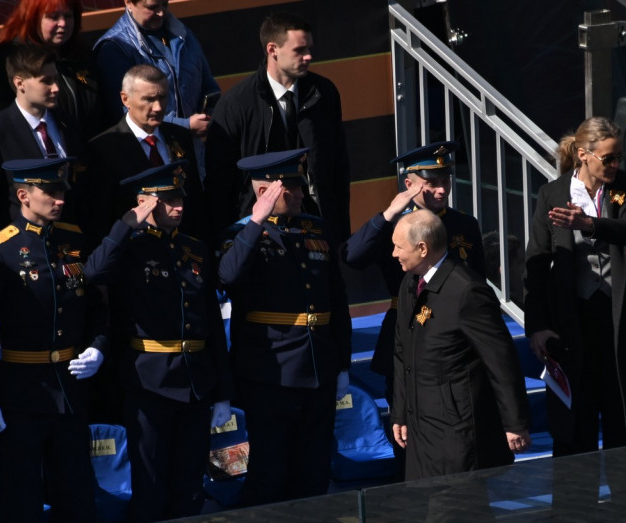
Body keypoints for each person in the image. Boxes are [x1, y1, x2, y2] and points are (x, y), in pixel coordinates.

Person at [0, 157, 107, 522]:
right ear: (24, 195)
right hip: (21, 393)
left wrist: (98, 347)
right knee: (21, 497)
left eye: (62, 191)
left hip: (70, 389)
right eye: (50, 192)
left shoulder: (73, 238)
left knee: (76, 493)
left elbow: (97, 307)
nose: (60, 199)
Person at [84, 160, 233, 522]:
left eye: (180, 197)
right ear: (146, 202)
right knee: (150, 487)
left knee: (190, 485)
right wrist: (125, 225)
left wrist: (224, 391)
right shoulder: (129, 246)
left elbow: (211, 321)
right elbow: (93, 272)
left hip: (195, 380)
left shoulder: (194, 248)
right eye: (167, 200)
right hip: (149, 382)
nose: (179, 206)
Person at [218, 149, 351, 506]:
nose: (301, 194)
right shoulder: (240, 234)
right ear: (265, 193)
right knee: (270, 474)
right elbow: (228, 276)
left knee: (314, 472)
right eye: (290, 188)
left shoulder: (316, 228)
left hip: (317, 365)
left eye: (299, 185)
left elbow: (336, 301)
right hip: (270, 372)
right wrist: (255, 222)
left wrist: (342, 363)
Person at [524, 116, 626, 456]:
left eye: (619, 157)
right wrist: (536, 325)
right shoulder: (553, 193)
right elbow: (536, 262)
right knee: (575, 423)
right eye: (609, 158)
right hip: (572, 319)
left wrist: (590, 224)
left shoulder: (625, 185)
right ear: (583, 154)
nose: (616, 164)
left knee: (625, 417)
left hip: (619, 315)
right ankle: (574, 506)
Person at [342, 141, 485, 408]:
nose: (442, 190)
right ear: (410, 185)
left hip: (458, 331)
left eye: (445, 180)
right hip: (407, 328)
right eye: (431, 183)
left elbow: (478, 279)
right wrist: (385, 217)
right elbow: (353, 257)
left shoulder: (464, 224)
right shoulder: (393, 224)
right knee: (406, 420)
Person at [390, 209, 530, 480]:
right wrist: (400, 412)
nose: (394, 253)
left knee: (454, 507)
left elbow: (501, 360)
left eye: (398, 247)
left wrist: (515, 422)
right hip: (421, 427)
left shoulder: (466, 291)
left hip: (457, 430)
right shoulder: (410, 283)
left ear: (422, 248)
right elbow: (401, 352)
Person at [206, 12, 350, 245]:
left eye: (309, 49)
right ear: (273, 50)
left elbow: (338, 169)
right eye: (299, 50)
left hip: (318, 229)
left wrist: (340, 230)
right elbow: (221, 185)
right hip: (259, 235)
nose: (308, 57)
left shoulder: (324, 94)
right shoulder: (236, 105)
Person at [0, 43, 83, 253]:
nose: (56, 88)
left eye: (55, 79)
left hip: (68, 248)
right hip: (21, 252)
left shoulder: (67, 123)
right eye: (46, 81)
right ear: (20, 83)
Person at [80, 64, 205, 248]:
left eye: (162, 97)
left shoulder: (180, 136)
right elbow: (100, 217)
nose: (158, 107)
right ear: (125, 99)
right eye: (148, 99)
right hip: (133, 254)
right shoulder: (103, 148)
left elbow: (195, 200)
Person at [93, 0, 218, 177]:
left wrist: (208, 116)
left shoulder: (183, 35)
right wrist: (185, 126)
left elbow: (209, 87)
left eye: (164, 5)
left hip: (195, 154)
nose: (161, 13)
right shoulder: (114, 48)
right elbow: (124, 114)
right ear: (129, 3)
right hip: (149, 156)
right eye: (152, 7)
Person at [0, 0, 103, 141]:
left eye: (68, 16)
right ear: (34, 18)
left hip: (87, 153)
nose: (62, 23)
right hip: (39, 155)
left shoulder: (80, 53)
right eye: (53, 17)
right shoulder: (9, 57)